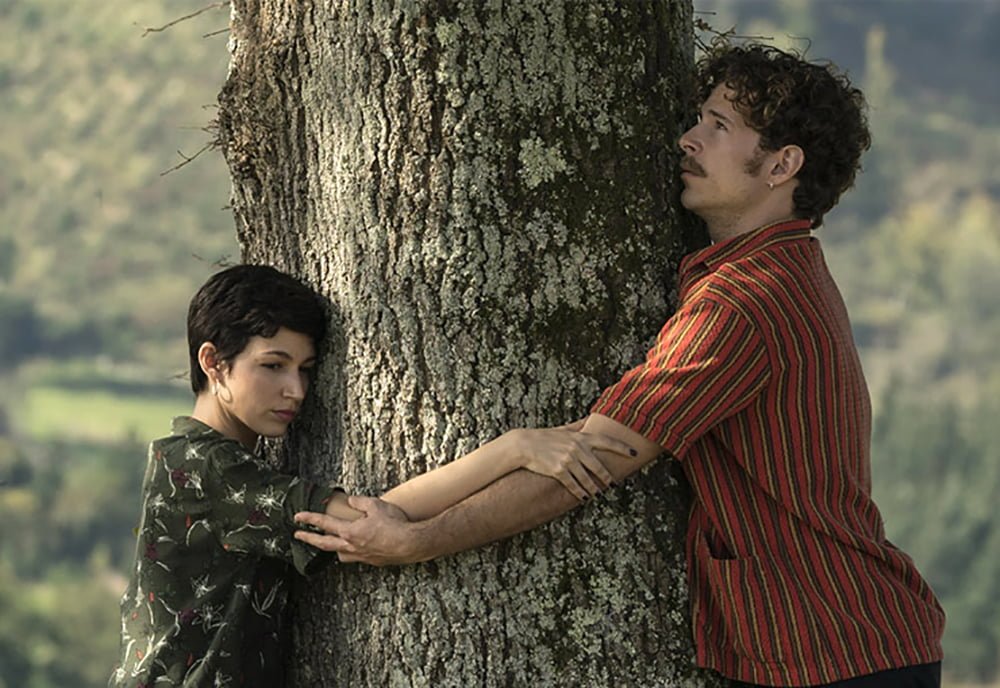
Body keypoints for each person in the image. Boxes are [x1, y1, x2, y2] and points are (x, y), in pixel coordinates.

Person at [293, 42, 946, 688]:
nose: (689, 138)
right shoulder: (783, 269)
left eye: (719, 126)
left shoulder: (743, 301)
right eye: (700, 119)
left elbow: (586, 463)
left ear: (782, 165)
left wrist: (415, 541)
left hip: (837, 649)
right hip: (838, 643)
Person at [109, 264, 634, 688]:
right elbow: (370, 521)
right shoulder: (204, 466)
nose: (296, 390)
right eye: (273, 365)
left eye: (305, 370)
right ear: (214, 363)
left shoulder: (204, 460)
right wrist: (513, 448)